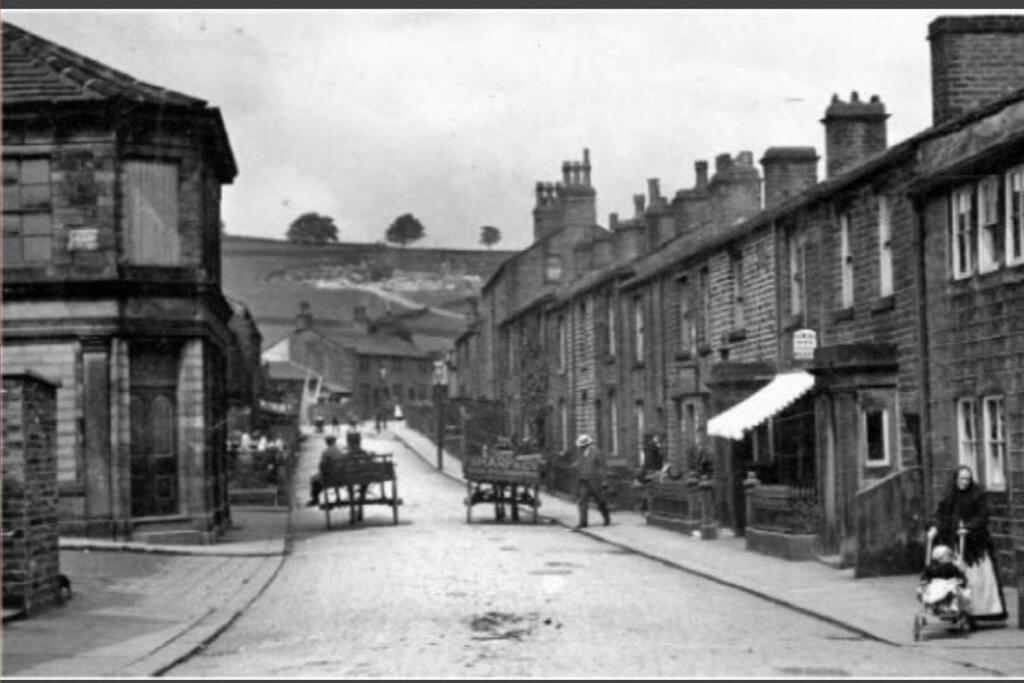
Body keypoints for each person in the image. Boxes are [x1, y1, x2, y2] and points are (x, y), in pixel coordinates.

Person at [927, 465, 1008, 627]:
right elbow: (941, 514)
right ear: (955, 479)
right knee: (956, 577)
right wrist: (934, 527)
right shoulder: (949, 496)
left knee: (977, 578)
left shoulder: (977, 495)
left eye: (967, 479)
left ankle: (979, 612)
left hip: (975, 545)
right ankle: (957, 610)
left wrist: (968, 527)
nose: (964, 482)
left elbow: (983, 516)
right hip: (954, 542)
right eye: (961, 478)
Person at [917, 544, 969, 615]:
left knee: (956, 590)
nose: (950, 557)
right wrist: (923, 586)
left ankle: (953, 605)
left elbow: (960, 577)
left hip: (950, 586)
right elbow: (925, 577)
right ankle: (938, 606)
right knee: (933, 592)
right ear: (940, 557)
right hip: (936, 587)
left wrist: (962, 580)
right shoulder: (931, 568)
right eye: (947, 555)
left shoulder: (953, 567)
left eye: (950, 555)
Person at [573, 434, 610, 529]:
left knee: (600, 501)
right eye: (580, 446)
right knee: (582, 502)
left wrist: (604, 480)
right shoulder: (580, 454)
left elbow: (602, 467)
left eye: (582, 446)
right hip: (584, 481)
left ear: (587, 444)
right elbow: (579, 466)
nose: (581, 448)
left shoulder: (597, 452)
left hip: (595, 481)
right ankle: (583, 522)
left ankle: (606, 518)